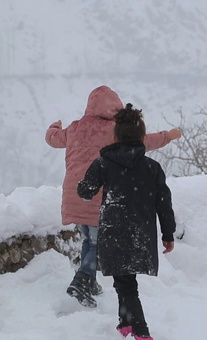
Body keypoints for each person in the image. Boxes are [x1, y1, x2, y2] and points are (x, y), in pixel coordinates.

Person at [45, 86, 181, 308]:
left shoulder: (75, 128)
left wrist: (54, 127)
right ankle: (82, 280)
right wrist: (169, 136)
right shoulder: (115, 130)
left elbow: (52, 139)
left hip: (76, 194)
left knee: (89, 240)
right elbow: (144, 141)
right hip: (100, 194)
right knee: (97, 242)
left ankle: (89, 281)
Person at [77, 103, 176, 340]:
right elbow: (164, 203)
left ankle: (142, 335)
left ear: (116, 136)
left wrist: (83, 178)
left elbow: (85, 191)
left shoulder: (104, 163)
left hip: (114, 229)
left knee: (126, 282)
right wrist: (168, 234)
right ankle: (125, 323)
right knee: (124, 279)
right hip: (141, 232)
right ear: (142, 137)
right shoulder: (152, 168)